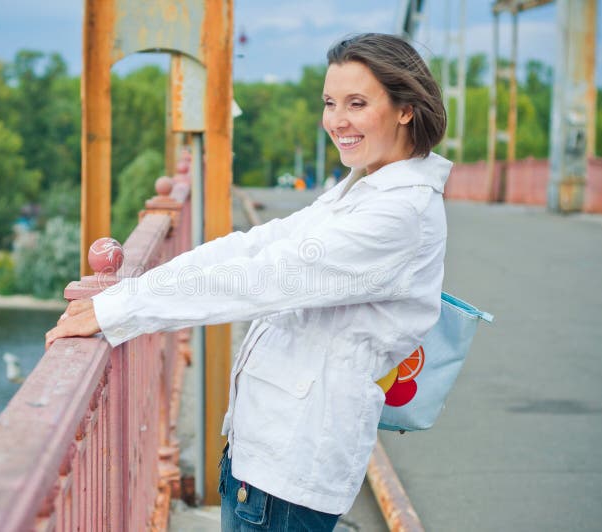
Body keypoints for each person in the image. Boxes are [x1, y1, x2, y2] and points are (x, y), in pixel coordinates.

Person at [46, 33, 449, 532]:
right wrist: (130, 292)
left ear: (406, 109)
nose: (336, 120)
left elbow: (262, 278)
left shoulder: (398, 214)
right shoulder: (363, 190)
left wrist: (117, 311)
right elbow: (253, 247)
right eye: (329, 103)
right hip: (266, 452)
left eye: (357, 103)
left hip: (291, 468)